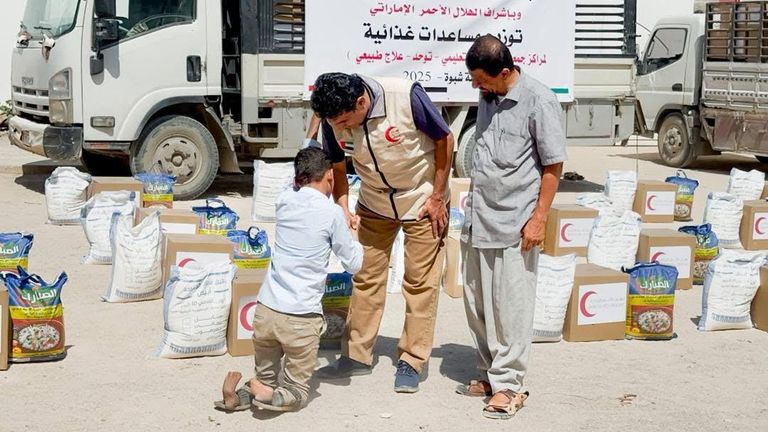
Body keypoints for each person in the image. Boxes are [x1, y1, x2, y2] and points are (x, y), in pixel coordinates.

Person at [310, 72, 454, 393]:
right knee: (366, 276)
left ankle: (412, 359)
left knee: (419, 282)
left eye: (347, 121)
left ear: (362, 102)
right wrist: (343, 205)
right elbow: (336, 164)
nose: (342, 128)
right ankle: (357, 355)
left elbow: (445, 139)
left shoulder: (406, 97)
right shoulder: (335, 118)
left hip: (421, 197)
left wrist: (436, 197)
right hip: (374, 201)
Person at [455, 35, 566, 420]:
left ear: (505, 72)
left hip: (515, 223)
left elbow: (553, 168)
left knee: (511, 309)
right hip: (479, 219)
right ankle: (490, 373)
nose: (476, 86)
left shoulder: (539, 100)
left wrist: (539, 219)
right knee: (477, 303)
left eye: (482, 79)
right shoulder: (488, 97)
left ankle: (510, 386)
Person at [214, 147, 363, 413]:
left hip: (266, 312)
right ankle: (275, 395)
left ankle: (246, 393)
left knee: (266, 374)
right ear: (329, 176)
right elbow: (354, 264)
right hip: (300, 318)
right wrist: (354, 233)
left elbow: (297, 176)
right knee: (296, 389)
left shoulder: (284, 200)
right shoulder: (332, 214)